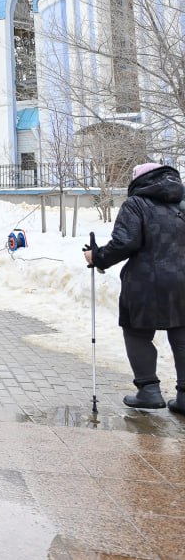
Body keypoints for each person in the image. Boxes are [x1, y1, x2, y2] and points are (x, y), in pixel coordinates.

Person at [85, 162, 185, 415]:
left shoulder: (136, 204)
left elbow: (125, 242)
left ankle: (149, 391)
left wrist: (98, 257)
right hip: (182, 280)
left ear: (140, 179)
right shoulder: (181, 204)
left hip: (145, 282)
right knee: (182, 335)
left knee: (137, 332)